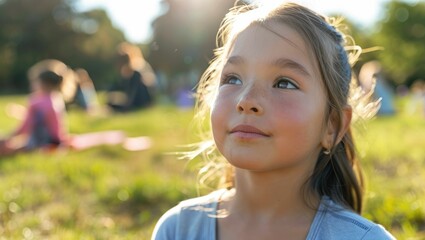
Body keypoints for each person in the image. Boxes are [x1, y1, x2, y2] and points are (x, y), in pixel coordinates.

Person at [152, 2, 395, 240]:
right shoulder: (177, 229)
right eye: (233, 78)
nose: (246, 100)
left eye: (284, 83)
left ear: (332, 125)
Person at [0, 69, 68, 156]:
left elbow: (24, 127)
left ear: (42, 83)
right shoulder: (57, 99)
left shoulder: (36, 102)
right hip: (56, 142)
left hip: (39, 144)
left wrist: (8, 137)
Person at [107, 42, 154, 112]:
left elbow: (132, 97)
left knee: (113, 103)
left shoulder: (136, 71)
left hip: (143, 101)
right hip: (139, 101)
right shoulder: (133, 70)